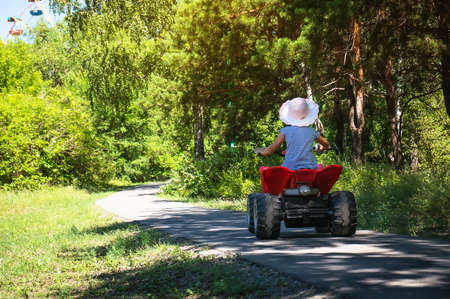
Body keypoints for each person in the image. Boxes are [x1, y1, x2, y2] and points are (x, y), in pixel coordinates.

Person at [255, 97, 330, 170]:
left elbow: (272, 148)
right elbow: (326, 144)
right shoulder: (311, 131)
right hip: (310, 168)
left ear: (290, 116)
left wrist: (262, 153)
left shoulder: (285, 131)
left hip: (290, 169)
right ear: (307, 115)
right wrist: (324, 147)